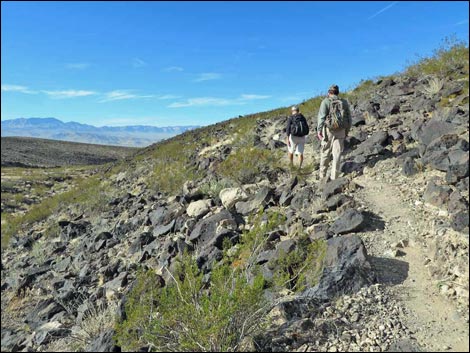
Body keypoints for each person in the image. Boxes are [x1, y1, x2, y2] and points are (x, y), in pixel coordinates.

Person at [317, 84, 351, 181]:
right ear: (338, 92)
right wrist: (346, 130)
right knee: (337, 154)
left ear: (329, 92)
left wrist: (319, 131)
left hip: (329, 130)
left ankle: (322, 176)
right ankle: (334, 178)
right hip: (341, 130)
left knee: (325, 152)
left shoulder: (325, 101)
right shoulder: (343, 102)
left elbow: (321, 117)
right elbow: (349, 118)